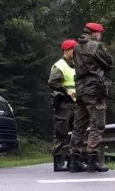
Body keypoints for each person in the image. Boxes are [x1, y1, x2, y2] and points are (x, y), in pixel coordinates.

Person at [68, 22, 114, 173]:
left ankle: (75, 160)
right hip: (94, 88)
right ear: (94, 33)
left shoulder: (75, 47)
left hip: (80, 88)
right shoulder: (96, 46)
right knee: (97, 123)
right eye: (99, 33)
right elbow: (109, 63)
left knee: (79, 126)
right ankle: (92, 158)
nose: (100, 36)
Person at [48, 39, 78, 172]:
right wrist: (66, 91)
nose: (76, 52)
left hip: (76, 104)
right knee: (61, 133)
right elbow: (52, 82)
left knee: (76, 133)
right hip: (64, 104)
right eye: (73, 49)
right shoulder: (59, 65)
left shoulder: (75, 65)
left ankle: (73, 161)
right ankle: (58, 163)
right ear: (66, 51)